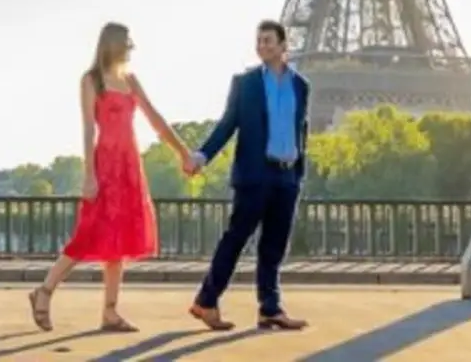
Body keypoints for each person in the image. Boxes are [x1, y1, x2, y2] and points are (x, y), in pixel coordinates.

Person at [29, 22, 191, 333]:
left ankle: (110, 312)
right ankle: (45, 290)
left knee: (120, 240)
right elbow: (89, 129)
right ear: (113, 43)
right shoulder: (91, 80)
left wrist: (182, 151)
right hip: (106, 165)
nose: (131, 47)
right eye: (128, 42)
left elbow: (155, 119)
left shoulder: (130, 80)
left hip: (129, 165)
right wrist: (89, 174)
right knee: (89, 232)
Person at [185, 19, 310, 331]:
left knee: (274, 247)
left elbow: (301, 130)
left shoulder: (301, 86)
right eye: (259, 41)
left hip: (286, 176)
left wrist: (297, 173)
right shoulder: (246, 83)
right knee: (236, 239)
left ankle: (270, 308)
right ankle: (206, 300)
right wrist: (203, 155)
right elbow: (228, 124)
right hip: (256, 174)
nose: (262, 46)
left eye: (268, 41)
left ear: (284, 46)